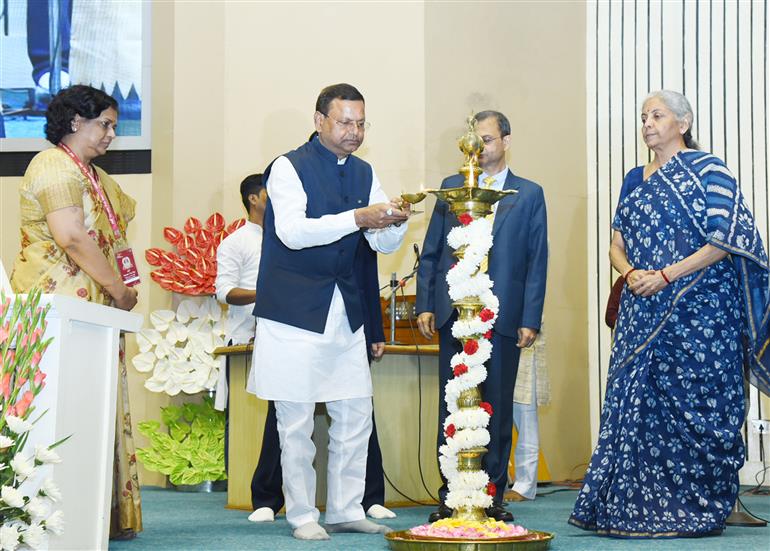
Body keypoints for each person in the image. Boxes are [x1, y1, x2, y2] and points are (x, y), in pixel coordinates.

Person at [569, 90, 770, 538]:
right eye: (643, 117)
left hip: (702, 312)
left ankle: (705, 500)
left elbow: (730, 238)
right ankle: (638, 503)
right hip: (643, 309)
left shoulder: (709, 169)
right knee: (641, 406)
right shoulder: (634, 179)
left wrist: (667, 274)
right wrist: (634, 271)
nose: (647, 123)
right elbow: (615, 246)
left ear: (683, 122)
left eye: (657, 115)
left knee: (700, 402)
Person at [250, 83, 409, 541]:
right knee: (296, 421)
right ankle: (301, 514)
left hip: (346, 311)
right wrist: (360, 218)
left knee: (355, 413)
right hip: (294, 311)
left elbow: (379, 243)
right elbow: (295, 232)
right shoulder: (287, 167)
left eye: (361, 123)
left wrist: (393, 224)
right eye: (344, 122)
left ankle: (344, 506)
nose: (353, 132)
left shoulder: (365, 171)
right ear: (319, 120)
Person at [10, 84, 142, 539]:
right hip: (56, 304)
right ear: (74, 122)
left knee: (94, 402)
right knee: (58, 403)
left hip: (94, 309)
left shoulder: (96, 177)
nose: (110, 135)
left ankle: (93, 512)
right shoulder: (52, 165)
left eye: (114, 127)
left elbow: (114, 239)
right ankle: (44, 512)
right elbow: (71, 236)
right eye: (104, 124)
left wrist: (126, 288)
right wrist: (116, 288)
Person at [416, 110, 548, 522]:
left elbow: (536, 260)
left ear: (506, 141)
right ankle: (452, 492)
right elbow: (433, 250)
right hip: (455, 313)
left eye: (488, 140)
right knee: (453, 405)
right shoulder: (452, 189)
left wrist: (531, 318)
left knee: (497, 407)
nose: (480, 149)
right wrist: (425, 303)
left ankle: (491, 494)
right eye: (474, 141)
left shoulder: (528, 194)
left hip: (504, 316)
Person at [247, 234, 396, 523]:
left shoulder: (357, 202)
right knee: (289, 419)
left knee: (359, 415)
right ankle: (270, 499)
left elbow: (366, 267)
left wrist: (375, 329)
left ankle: (364, 501)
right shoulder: (291, 201)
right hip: (296, 319)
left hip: (347, 322)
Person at [508, 325, 549, 502]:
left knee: (525, 417)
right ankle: (496, 482)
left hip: (523, 338)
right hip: (491, 339)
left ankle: (524, 486)